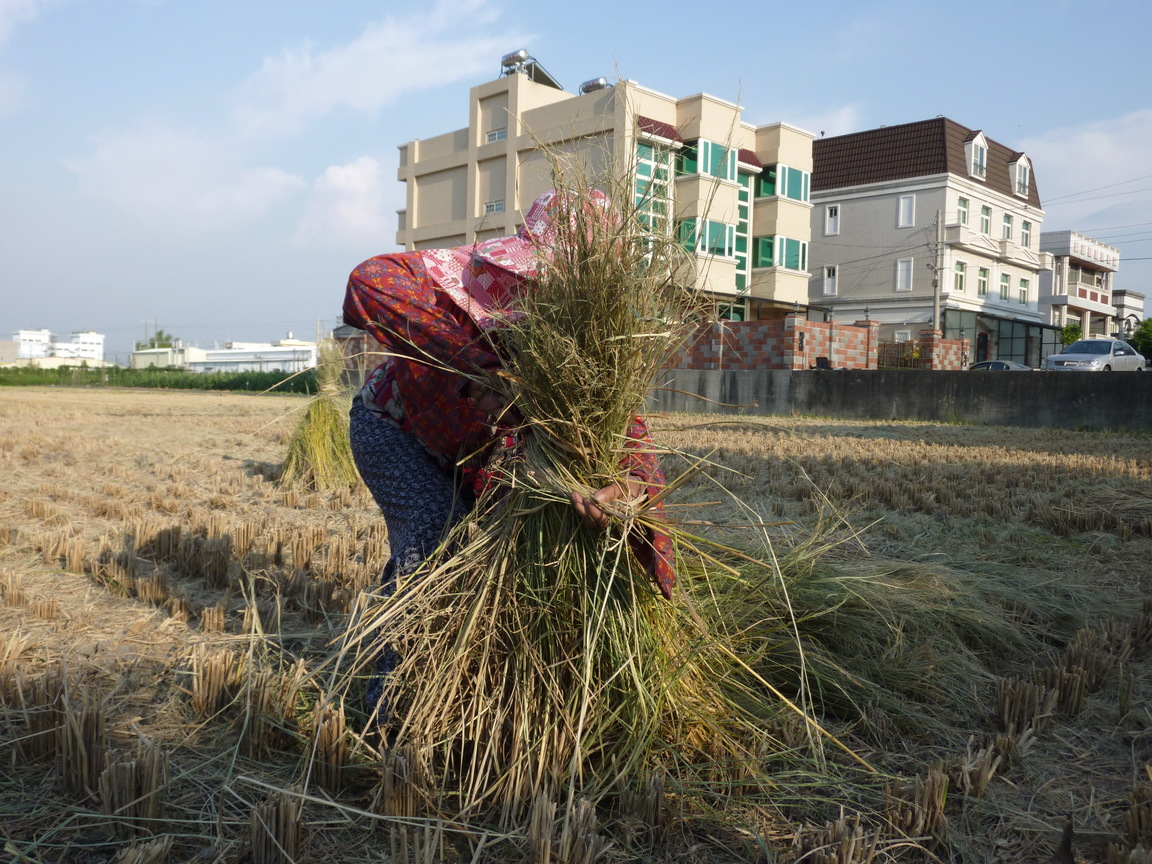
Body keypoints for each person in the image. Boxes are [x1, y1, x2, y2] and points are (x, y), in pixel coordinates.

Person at [341, 189, 676, 708]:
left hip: (476, 460)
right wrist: (475, 365)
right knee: (435, 528)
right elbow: (368, 280)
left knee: (511, 561)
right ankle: (386, 701)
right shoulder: (465, 280)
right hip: (393, 428)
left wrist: (628, 490)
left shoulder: (588, 345)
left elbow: (631, 440)